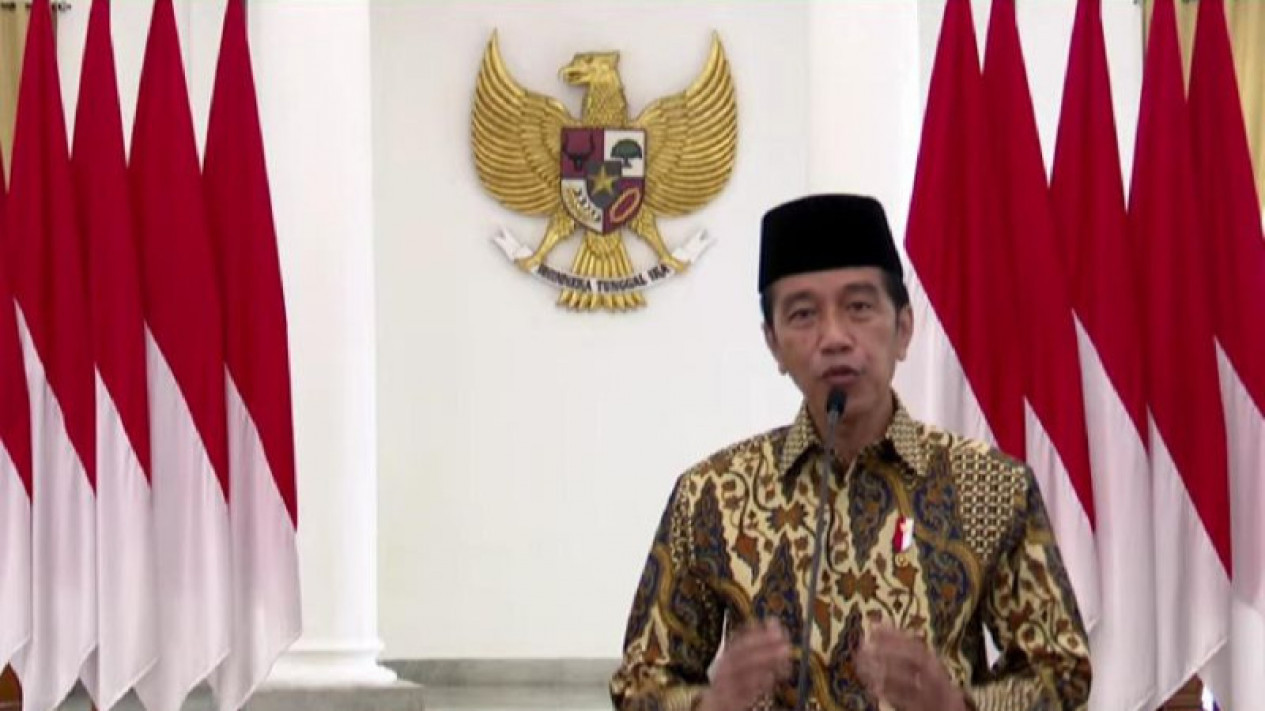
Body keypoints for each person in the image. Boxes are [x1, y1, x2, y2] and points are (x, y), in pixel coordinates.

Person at [608, 194, 1091, 711]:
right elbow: (640, 684)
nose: (835, 338)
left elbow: (1061, 677)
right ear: (773, 344)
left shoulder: (990, 486)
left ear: (903, 329)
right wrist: (710, 707)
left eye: (859, 307)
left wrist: (957, 707)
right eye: (803, 314)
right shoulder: (711, 496)